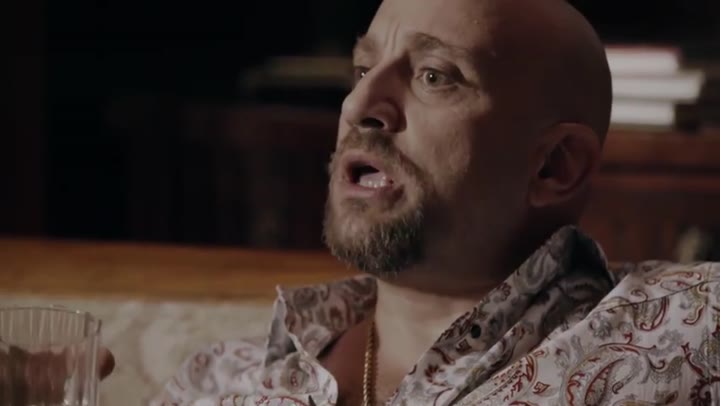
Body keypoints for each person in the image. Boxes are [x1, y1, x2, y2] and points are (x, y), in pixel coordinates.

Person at [148, 0, 720, 404]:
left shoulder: (689, 329)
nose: (359, 105)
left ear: (555, 166)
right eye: (363, 68)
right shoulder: (218, 382)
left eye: (433, 76)